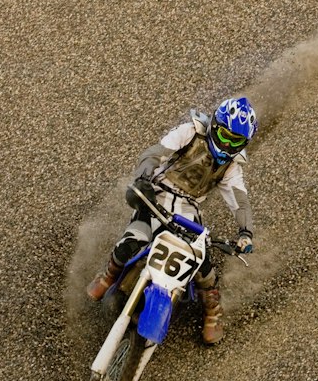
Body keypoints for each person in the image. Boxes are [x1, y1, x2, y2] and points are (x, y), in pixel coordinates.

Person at [86, 97, 257, 345]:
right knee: (132, 240)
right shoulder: (190, 132)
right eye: (224, 135)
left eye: (235, 141)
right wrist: (144, 177)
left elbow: (239, 200)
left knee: (202, 264)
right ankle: (109, 275)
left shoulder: (231, 167)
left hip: (188, 210)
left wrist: (245, 232)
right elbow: (156, 153)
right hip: (157, 195)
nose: (227, 144)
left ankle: (212, 312)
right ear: (214, 125)